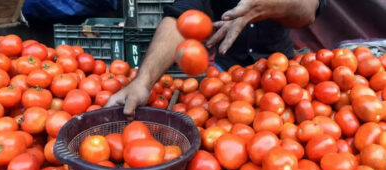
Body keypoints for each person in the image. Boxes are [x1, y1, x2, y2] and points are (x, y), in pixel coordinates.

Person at [105, 0, 326, 118]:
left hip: (283, 74)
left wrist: (269, 6)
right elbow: (183, 17)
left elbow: (308, 10)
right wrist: (143, 82)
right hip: (228, 78)